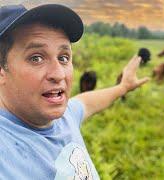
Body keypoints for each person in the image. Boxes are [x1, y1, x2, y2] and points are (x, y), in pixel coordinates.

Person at [0, 4, 149, 180]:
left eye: (63, 57)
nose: (59, 74)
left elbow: (86, 102)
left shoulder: (64, 117)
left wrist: (123, 87)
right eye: (36, 58)